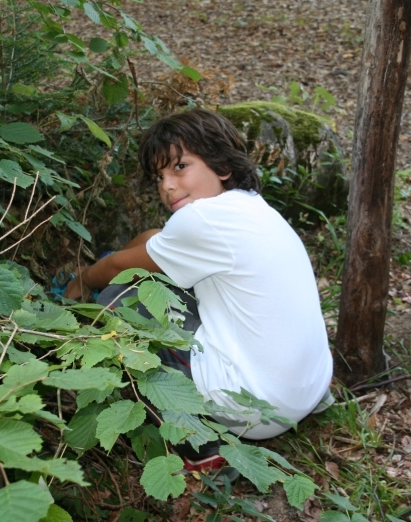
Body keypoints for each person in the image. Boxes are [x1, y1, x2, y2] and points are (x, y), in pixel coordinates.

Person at [64, 108, 333, 472]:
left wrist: (81, 280)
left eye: (179, 167)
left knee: (122, 298)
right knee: (148, 275)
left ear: (222, 166)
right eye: (158, 175)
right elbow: (153, 242)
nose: (167, 185)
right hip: (307, 389)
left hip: (254, 407)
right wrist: (117, 256)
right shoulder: (249, 207)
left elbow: (115, 268)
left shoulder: (200, 220)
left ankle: (198, 443)